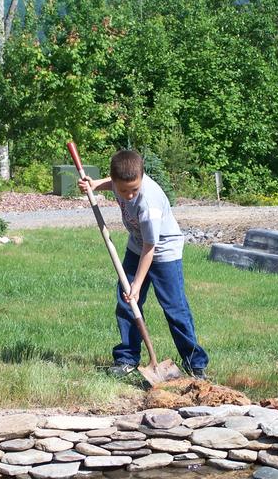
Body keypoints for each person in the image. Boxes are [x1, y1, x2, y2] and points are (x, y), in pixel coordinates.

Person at [78, 149, 209, 379]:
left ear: (142, 177)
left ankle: (195, 364)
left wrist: (136, 285)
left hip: (163, 251)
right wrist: (95, 185)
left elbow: (151, 248)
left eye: (134, 190)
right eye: (123, 190)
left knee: (174, 308)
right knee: (126, 302)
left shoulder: (149, 204)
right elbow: (114, 183)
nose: (128, 195)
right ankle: (127, 358)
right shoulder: (122, 182)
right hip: (136, 246)